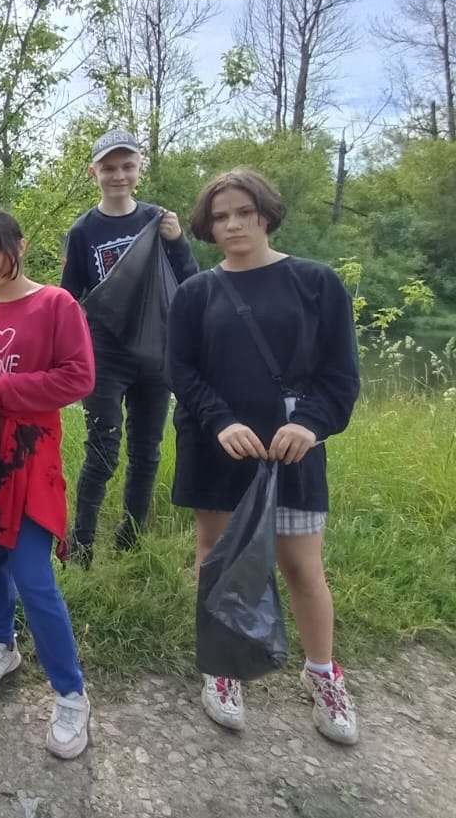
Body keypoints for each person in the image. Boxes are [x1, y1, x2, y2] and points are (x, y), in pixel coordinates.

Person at [167, 168, 360, 745]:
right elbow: (183, 372)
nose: (231, 225)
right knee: (217, 558)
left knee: (302, 567)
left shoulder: (316, 283)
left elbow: (340, 376)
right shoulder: (195, 292)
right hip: (218, 449)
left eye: (243, 212)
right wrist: (220, 422)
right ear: (207, 225)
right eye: (220, 216)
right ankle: (222, 669)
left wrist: (311, 424)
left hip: (291, 453)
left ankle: (322, 673)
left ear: (266, 214)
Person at [0, 209, 96, 760]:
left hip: (30, 460)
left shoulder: (56, 305)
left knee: (33, 574)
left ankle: (71, 693)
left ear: (20, 245)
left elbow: (78, 377)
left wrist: (4, 390)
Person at [61, 129, 199, 566]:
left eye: (126, 166)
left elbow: (191, 283)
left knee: (147, 449)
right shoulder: (83, 231)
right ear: (93, 173)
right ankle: (81, 545)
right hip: (106, 353)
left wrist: (177, 242)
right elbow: (69, 297)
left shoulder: (159, 221)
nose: (118, 175)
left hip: (157, 353)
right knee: (102, 449)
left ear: (140, 169)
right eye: (108, 167)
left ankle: (131, 538)